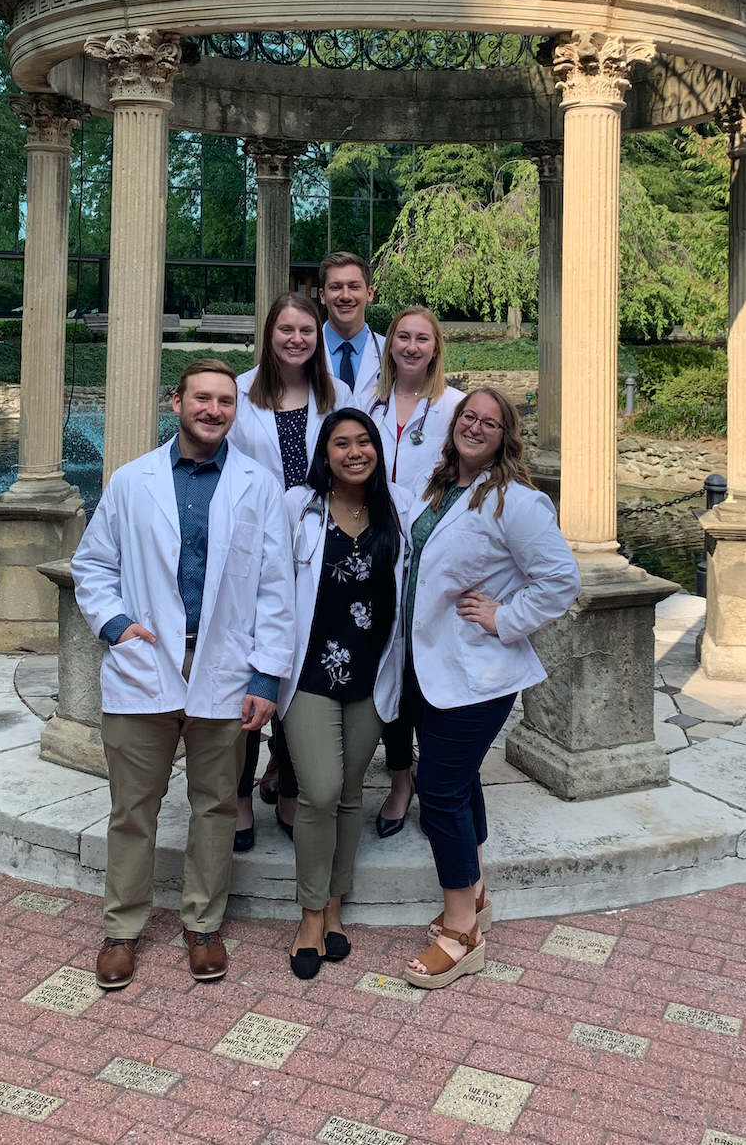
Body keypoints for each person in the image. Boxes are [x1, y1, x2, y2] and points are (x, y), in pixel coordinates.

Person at [70, 360, 293, 988]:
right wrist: (115, 626)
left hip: (223, 667)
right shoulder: (130, 481)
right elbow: (93, 566)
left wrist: (264, 678)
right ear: (177, 402)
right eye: (202, 398)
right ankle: (122, 928)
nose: (214, 410)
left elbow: (278, 589)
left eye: (226, 401)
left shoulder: (258, 485)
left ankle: (202, 923)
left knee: (216, 805)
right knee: (132, 808)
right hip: (146, 662)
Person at [400, 389, 580, 990]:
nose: (475, 427)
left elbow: (560, 581)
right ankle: (474, 897)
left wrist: (503, 617)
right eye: (468, 417)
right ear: (454, 426)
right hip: (435, 665)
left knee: (440, 791)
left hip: (478, 672)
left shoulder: (518, 502)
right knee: (462, 782)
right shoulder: (442, 487)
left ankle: (461, 934)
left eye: (490, 422)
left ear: (506, 437)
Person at [279, 408, 410, 978]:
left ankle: (336, 905)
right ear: (324, 453)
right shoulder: (297, 507)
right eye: (341, 443)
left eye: (364, 442)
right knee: (321, 789)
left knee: (352, 791)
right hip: (308, 673)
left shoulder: (398, 509)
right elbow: (268, 584)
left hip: (371, 672)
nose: (354, 452)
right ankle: (310, 913)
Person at [227, 293, 352, 849]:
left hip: (316, 546)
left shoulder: (337, 393)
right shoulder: (241, 391)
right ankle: (237, 795)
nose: (297, 338)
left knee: (301, 662)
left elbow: (352, 461)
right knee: (251, 661)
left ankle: (289, 779)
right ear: (269, 334)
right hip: (252, 544)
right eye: (286, 329)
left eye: (306, 329)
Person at [361, 305, 464, 839]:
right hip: (378, 551)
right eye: (402, 336)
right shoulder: (367, 402)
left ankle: (440, 777)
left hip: (433, 555)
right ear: (390, 344)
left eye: (422, 338)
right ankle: (400, 780)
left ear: (435, 348)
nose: (411, 346)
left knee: (428, 670)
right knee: (390, 670)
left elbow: (476, 481)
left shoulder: (456, 408)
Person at [318, 251, 384, 400]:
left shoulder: (390, 354)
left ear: (369, 294)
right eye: (336, 287)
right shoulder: (303, 353)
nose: (346, 296)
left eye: (354, 287)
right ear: (322, 296)